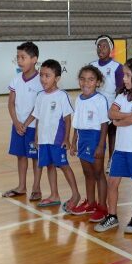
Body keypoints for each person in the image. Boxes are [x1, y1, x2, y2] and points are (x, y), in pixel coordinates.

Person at [94, 57, 132, 233]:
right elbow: (110, 112)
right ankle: (112, 216)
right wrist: (128, 116)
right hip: (120, 149)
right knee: (112, 182)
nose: (124, 79)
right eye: (124, 75)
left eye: (128, 75)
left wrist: (119, 121)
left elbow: (131, 118)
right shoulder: (121, 95)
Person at [32, 60, 80, 210]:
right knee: (49, 166)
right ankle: (54, 195)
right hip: (44, 139)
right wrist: (36, 137)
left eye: (47, 76)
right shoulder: (39, 96)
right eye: (41, 75)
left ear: (57, 78)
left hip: (57, 139)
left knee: (64, 165)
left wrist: (66, 138)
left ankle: (76, 194)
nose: (43, 79)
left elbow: (67, 118)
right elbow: (38, 118)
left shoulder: (62, 96)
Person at [3, 42, 44, 201]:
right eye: (18, 58)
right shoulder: (16, 79)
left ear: (34, 59)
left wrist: (26, 124)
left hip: (33, 127)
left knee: (35, 158)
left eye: (23, 57)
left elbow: (39, 106)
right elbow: (11, 103)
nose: (19, 61)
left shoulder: (41, 80)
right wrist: (16, 122)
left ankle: (36, 188)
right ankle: (21, 186)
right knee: (21, 156)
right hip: (18, 126)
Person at [70, 66, 110, 221]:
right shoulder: (78, 99)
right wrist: (74, 142)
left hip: (95, 138)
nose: (86, 82)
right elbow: (77, 123)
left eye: (91, 79)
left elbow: (104, 124)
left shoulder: (100, 100)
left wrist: (101, 145)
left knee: (99, 174)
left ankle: (103, 207)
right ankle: (91, 203)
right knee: (88, 174)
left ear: (98, 82)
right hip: (82, 138)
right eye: (83, 79)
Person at [90, 35, 123, 158]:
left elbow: (120, 89)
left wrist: (115, 108)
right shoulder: (92, 65)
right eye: (99, 46)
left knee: (112, 134)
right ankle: (97, 158)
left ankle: (111, 160)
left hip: (110, 106)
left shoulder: (117, 67)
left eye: (104, 46)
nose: (101, 49)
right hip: (94, 107)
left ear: (111, 49)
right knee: (96, 134)